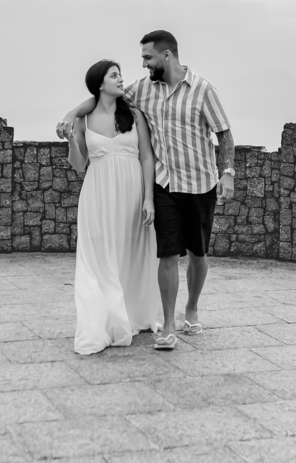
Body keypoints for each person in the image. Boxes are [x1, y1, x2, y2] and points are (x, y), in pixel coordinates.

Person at [59, 30, 234, 352]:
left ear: (166, 56)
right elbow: (101, 98)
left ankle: (191, 308)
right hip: (165, 183)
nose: (143, 64)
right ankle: (167, 325)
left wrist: (227, 174)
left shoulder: (203, 90)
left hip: (200, 182)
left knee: (198, 253)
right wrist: (72, 114)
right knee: (167, 253)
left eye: (147, 57)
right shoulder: (142, 90)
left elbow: (224, 135)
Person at [67, 59, 159, 355]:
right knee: (98, 258)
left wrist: (148, 198)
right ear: (100, 84)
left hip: (132, 192)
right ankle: (104, 320)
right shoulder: (84, 120)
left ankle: (130, 313)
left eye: (120, 75)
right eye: (114, 75)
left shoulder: (133, 115)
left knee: (128, 253)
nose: (121, 80)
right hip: (97, 194)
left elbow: (146, 157)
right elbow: (80, 166)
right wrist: (72, 142)